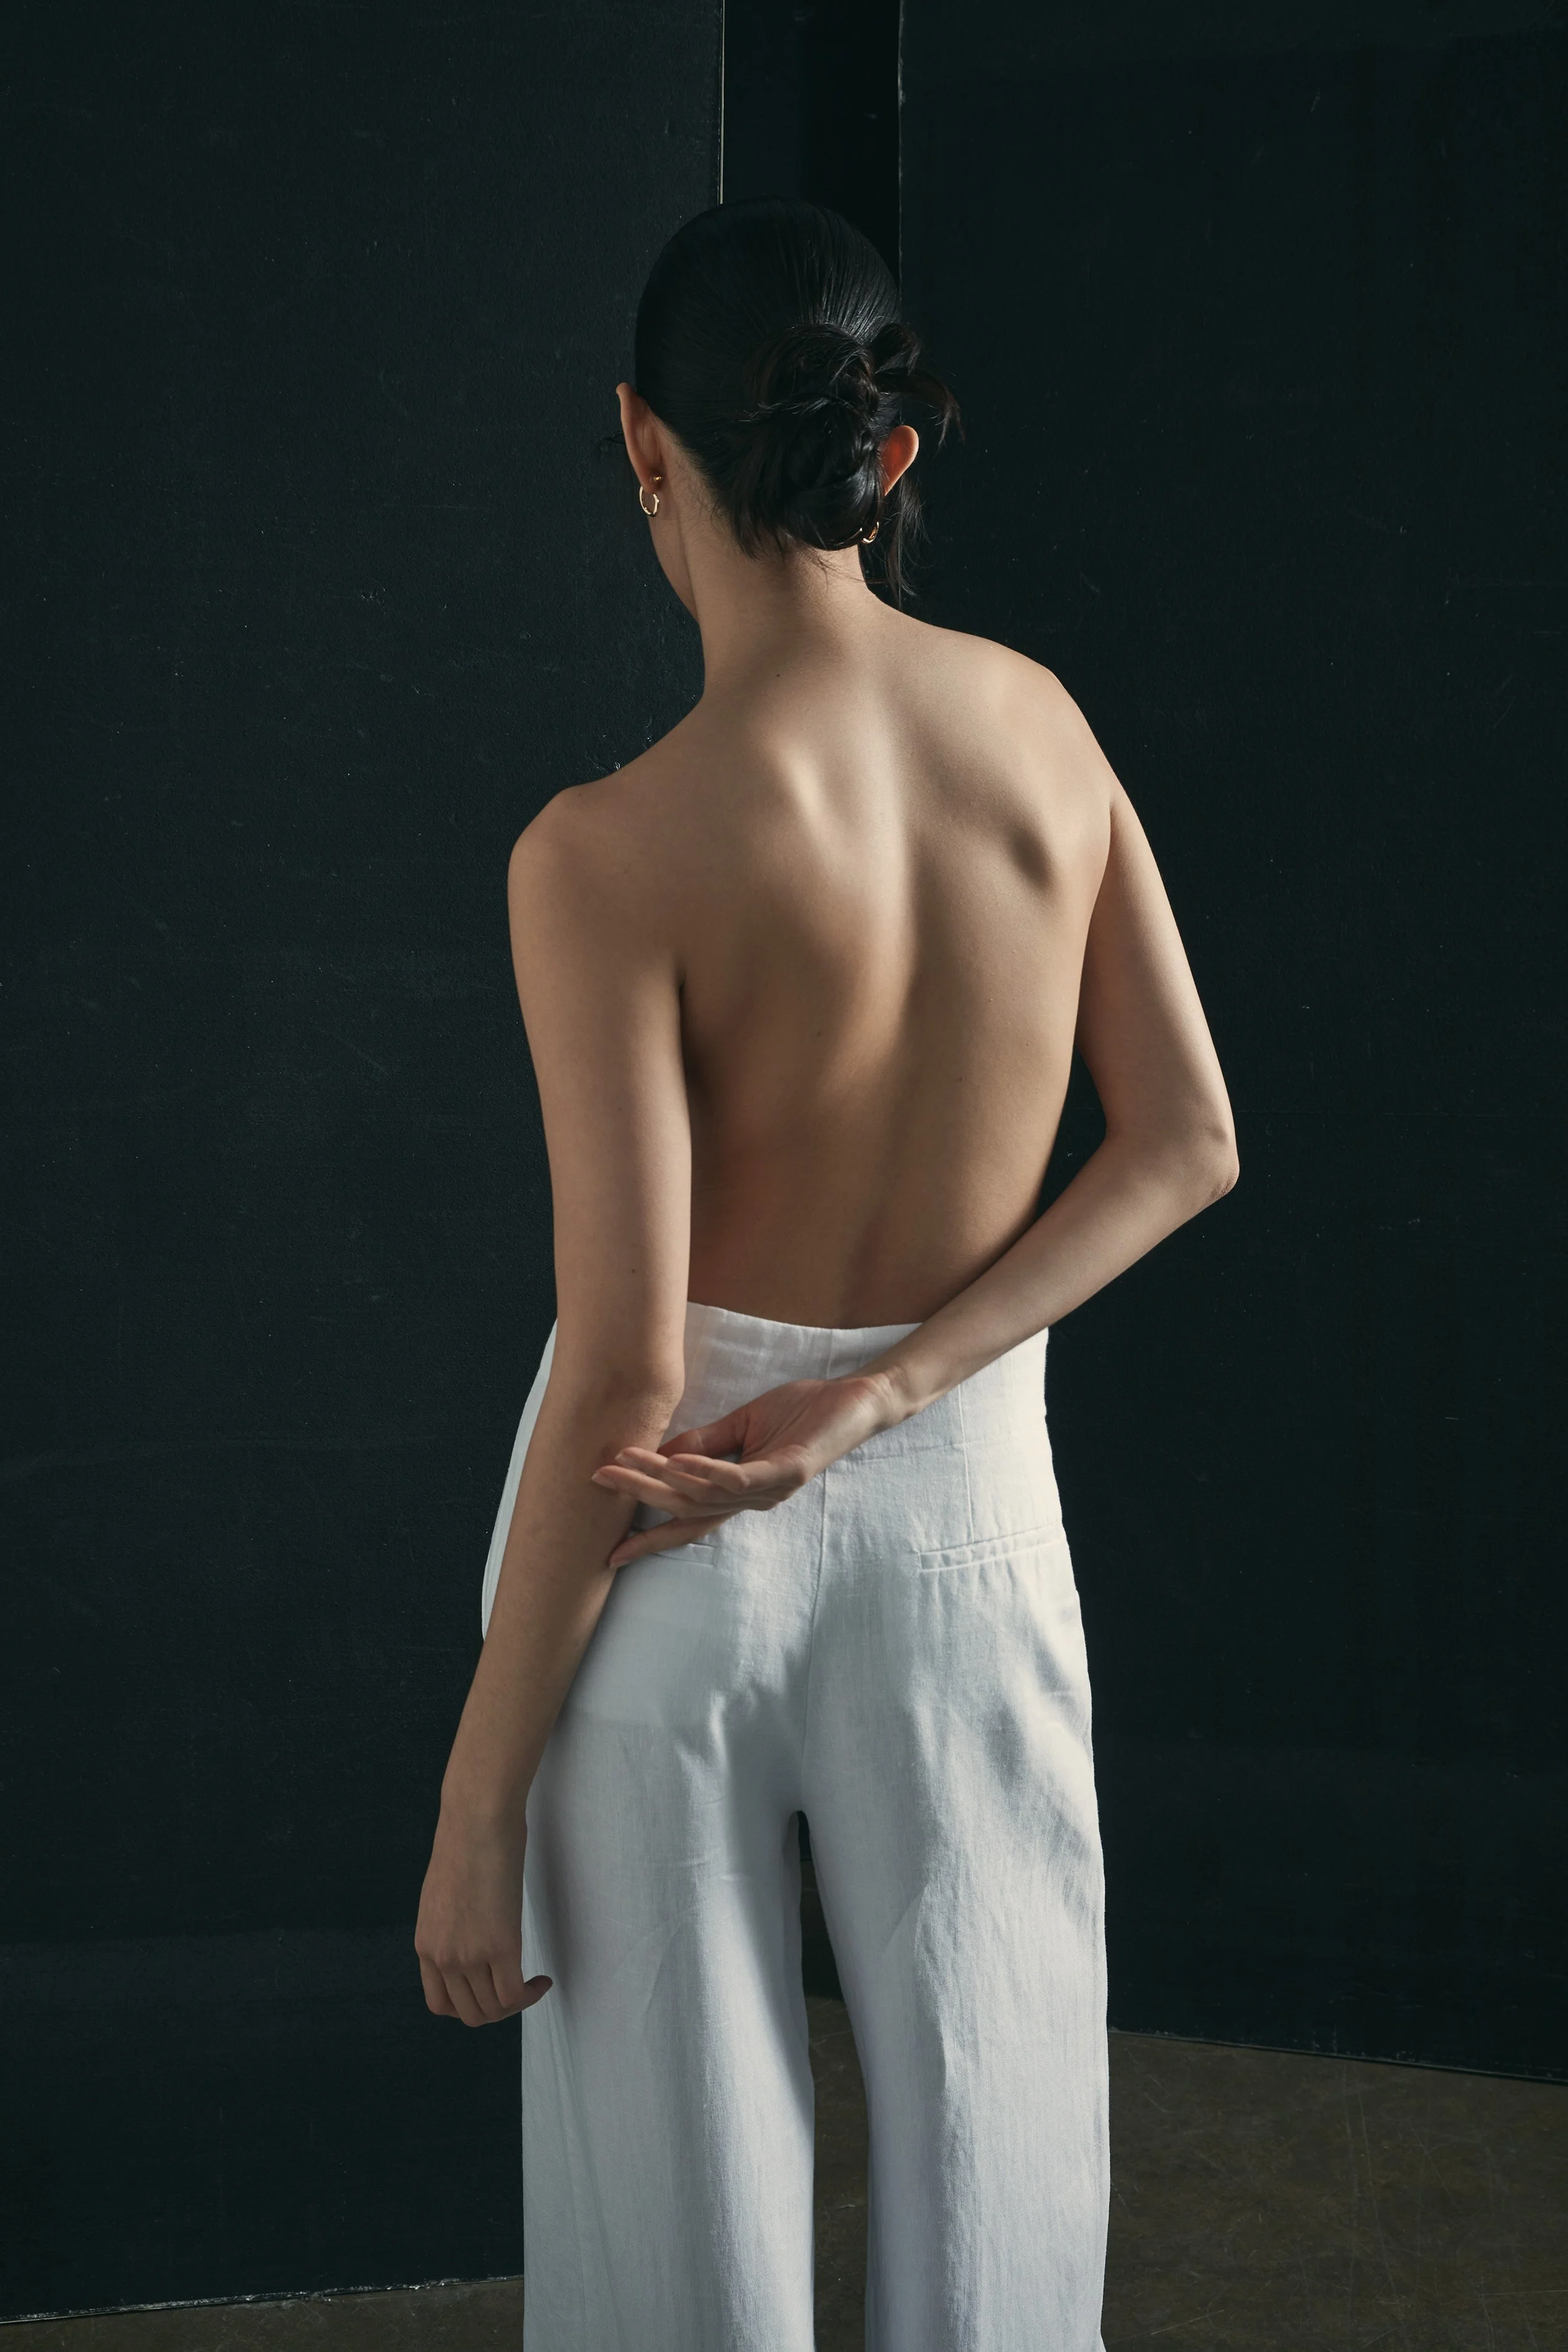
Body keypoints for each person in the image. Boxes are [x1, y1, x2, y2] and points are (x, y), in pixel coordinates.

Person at [415, 198, 1237, 2352]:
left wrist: (474, 1793)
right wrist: (884, 1392)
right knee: (1002, 2159)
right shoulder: (1037, 730)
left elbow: (622, 1364)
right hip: (960, 1504)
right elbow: (1185, 1140)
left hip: (663, 1533)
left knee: (667, 2237)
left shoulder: (602, 853)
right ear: (886, 452)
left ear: (639, 445)